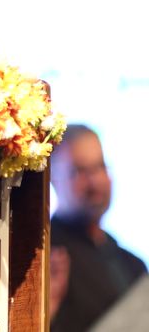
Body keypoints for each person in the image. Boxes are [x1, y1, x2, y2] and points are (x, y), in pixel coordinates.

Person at [49, 124, 146, 331]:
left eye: (100, 167)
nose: (95, 181)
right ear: (53, 179)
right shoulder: (43, 258)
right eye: (80, 171)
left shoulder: (134, 266)